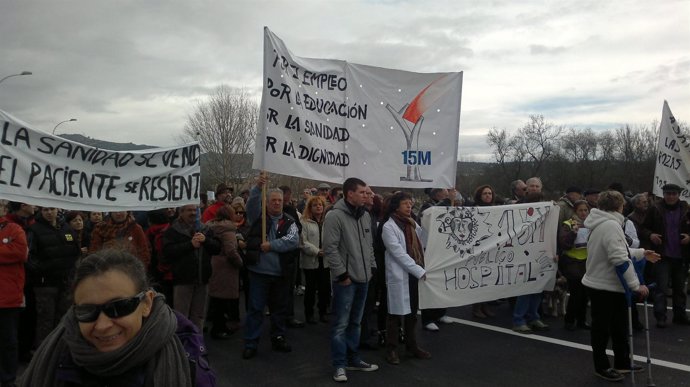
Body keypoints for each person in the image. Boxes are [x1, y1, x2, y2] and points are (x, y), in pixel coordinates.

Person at [19, 249, 216, 387]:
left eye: (119, 307)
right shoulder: (55, 358)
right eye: (87, 311)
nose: (102, 325)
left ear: (146, 303)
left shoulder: (187, 361)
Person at [581, 190, 657, 382]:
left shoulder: (605, 223)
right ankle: (602, 367)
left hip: (609, 285)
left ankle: (622, 362)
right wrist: (636, 285)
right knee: (602, 329)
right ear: (620, 206)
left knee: (619, 326)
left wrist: (641, 253)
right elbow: (619, 259)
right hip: (603, 285)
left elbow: (619, 250)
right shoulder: (610, 226)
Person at [324, 177, 379, 382]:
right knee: (341, 324)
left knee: (356, 322)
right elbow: (330, 248)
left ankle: (353, 359)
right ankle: (339, 365)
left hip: (364, 278)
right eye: (363, 192)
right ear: (350, 194)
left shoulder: (365, 216)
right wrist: (342, 274)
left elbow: (369, 245)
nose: (367, 195)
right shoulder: (334, 216)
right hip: (346, 281)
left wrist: (371, 268)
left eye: (367, 192)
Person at [242, 174, 299, 360]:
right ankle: (251, 342)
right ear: (267, 202)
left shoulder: (290, 221)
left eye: (279, 200)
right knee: (256, 309)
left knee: (279, 309)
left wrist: (271, 245)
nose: (276, 203)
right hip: (259, 273)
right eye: (273, 200)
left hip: (280, 274)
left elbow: (293, 241)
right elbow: (251, 205)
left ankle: (278, 337)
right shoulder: (258, 218)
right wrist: (258, 188)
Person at [380, 192, 431, 365]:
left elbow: (423, 243)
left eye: (410, 203)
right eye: (405, 204)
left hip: (412, 275)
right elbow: (398, 254)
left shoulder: (413, 224)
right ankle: (391, 349)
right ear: (396, 206)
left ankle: (412, 345)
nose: (409, 206)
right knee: (394, 314)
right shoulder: (389, 227)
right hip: (400, 274)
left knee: (412, 314)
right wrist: (418, 270)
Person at [27, 207, 81, 348]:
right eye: (46, 210)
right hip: (45, 285)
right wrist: (42, 271)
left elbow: (75, 251)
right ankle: (43, 353)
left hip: (65, 282)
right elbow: (29, 257)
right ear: (41, 211)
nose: (49, 212)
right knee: (46, 321)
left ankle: (62, 351)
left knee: (64, 319)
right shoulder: (34, 230)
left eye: (52, 209)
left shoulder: (66, 228)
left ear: (57, 210)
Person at [162, 204, 221, 331]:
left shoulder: (205, 229)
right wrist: (190, 245)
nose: (193, 213)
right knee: (182, 316)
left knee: (199, 316)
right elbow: (167, 252)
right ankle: (182, 346)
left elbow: (217, 248)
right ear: (181, 212)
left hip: (202, 279)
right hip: (183, 280)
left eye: (195, 210)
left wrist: (206, 241)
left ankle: (197, 344)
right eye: (189, 210)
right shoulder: (173, 231)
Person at [639, 183, 690, 327]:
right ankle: (660, 317)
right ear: (664, 194)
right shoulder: (655, 209)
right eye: (668, 194)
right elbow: (642, 228)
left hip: (681, 256)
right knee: (661, 289)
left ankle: (679, 315)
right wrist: (651, 235)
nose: (671, 196)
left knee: (680, 289)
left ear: (679, 195)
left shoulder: (686, 209)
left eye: (674, 194)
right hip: (662, 256)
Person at [0, 200, 29, 387]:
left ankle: (8, 379)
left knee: (7, 341)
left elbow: (20, 252)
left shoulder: (15, 229)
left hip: (8, 297)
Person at [206, 205, 243, 339]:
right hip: (225, 268)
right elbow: (231, 251)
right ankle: (218, 328)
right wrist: (240, 263)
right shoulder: (228, 230)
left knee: (216, 299)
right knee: (221, 301)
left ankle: (219, 326)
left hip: (215, 264)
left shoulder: (212, 227)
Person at [558, 200, 591, 330]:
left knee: (585, 295)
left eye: (585, 210)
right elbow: (564, 244)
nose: (583, 213)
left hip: (587, 262)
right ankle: (569, 320)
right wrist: (573, 233)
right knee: (576, 294)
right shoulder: (568, 224)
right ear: (575, 212)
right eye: (580, 210)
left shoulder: (591, 225)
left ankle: (582, 320)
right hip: (572, 262)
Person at [300, 195, 330, 324]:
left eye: (320, 205)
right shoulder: (304, 222)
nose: (318, 207)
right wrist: (317, 251)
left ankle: (323, 312)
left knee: (324, 289)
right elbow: (302, 242)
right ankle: (309, 314)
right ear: (310, 208)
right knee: (311, 290)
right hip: (311, 261)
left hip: (326, 261)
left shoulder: (328, 222)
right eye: (315, 205)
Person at [471, 185, 498, 319]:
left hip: (492, 248)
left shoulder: (496, 209)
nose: (488, 196)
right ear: (479, 196)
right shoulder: (474, 209)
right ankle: (476, 307)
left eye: (490, 193)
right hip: (478, 249)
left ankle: (485, 305)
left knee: (488, 278)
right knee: (479, 278)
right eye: (485, 194)